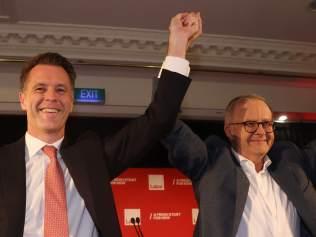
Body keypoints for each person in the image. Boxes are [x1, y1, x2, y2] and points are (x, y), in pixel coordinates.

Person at [0, 12, 202, 237]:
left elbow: (159, 119)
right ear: (22, 100)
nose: (51, 97)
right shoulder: (4, 162)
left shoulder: (91, 155)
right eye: (40, 88)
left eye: (61, 89)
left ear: (71, 101)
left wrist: (177, 44)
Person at [163, 95, 316, 237]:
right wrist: (173, 74)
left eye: (267, 123)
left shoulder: (290, 161)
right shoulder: (212, 164)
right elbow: (170, 127)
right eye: (250, 124)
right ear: (229, 130)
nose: (261, 131)